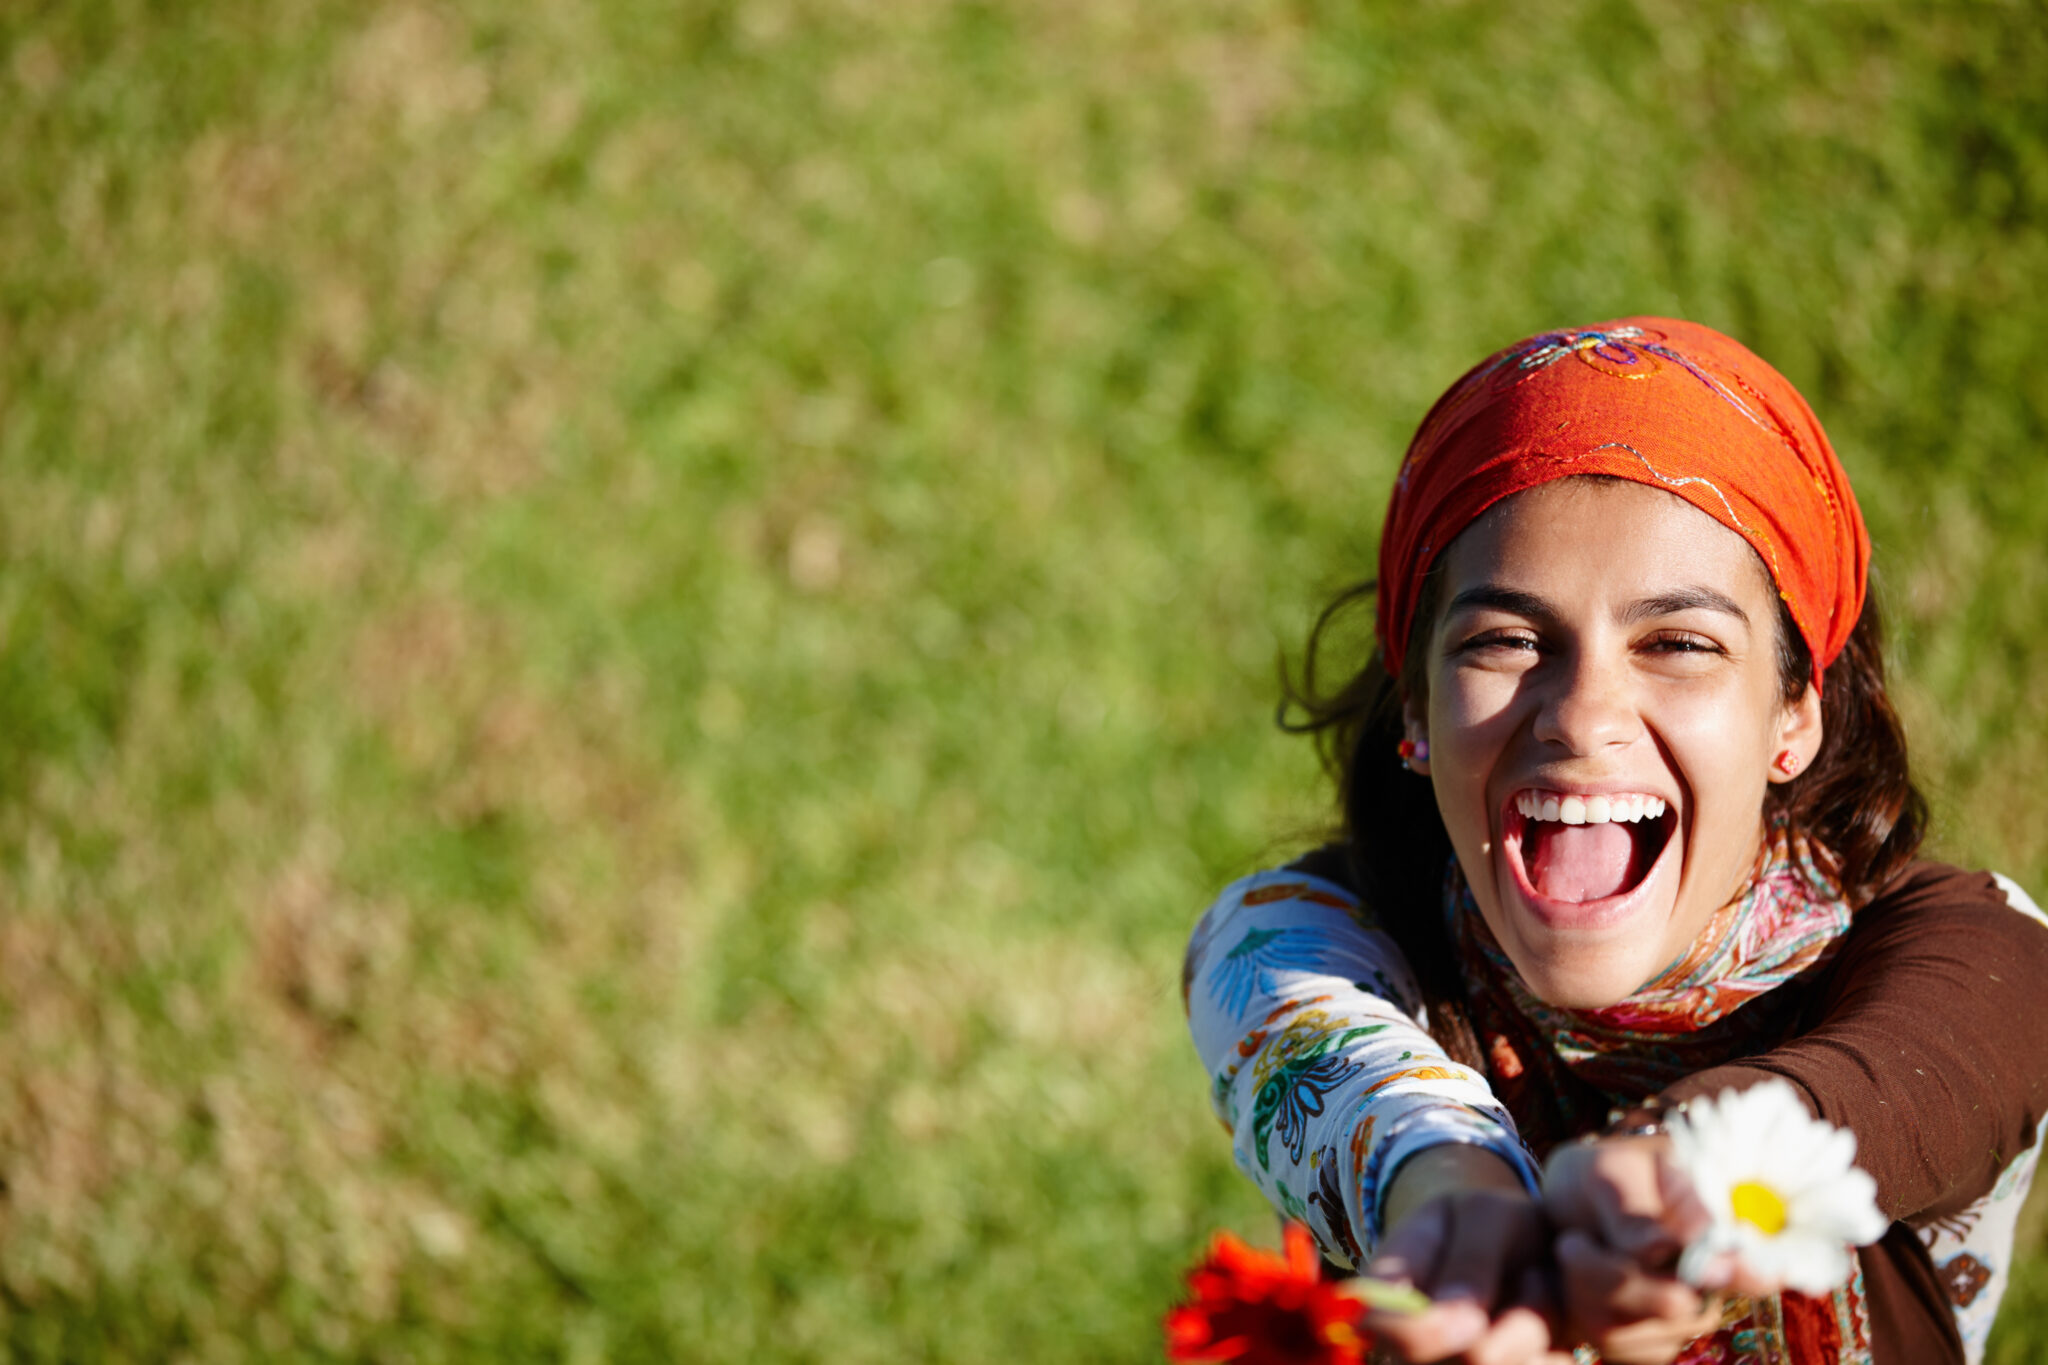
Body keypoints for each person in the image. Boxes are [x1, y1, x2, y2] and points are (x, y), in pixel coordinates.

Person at [1183, 318, 2048, 1364]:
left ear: (1793, 714)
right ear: (1415, 708)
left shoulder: (1978, 956)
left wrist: (1685, 1178)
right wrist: (1446, 1187)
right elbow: (1324, 1050)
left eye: (1677, 644)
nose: (1580, 717)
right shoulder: (1311, 938)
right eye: (1504, 640)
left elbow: (1929, 1066)